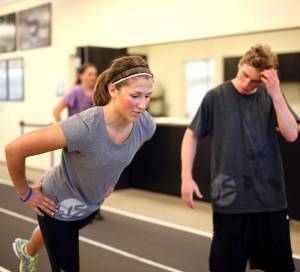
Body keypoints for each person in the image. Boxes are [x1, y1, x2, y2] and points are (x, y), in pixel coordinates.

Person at [5, 55, 156, 272]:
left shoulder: (146, 125)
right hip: (55, 205)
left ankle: (27, 251)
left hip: (90, 205)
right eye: (135, 95)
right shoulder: (83, 127)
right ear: (113, 90)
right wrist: (25, 192)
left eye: (148, 96)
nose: (143, 105)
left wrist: (111, 178)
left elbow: (130, 149)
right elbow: (14, 149)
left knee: (52, 232)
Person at [181, 44, 298, 272]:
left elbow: (291, 134)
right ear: (239, 65)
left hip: (270, 198)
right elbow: (190, 135)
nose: (246, 84)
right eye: (245, 75)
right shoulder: (215, 97)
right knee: (226, 266)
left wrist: (276, 94)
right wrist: (186, 177)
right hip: (230, 198)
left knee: (280, 266)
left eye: (255, 81)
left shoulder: (271, 96)